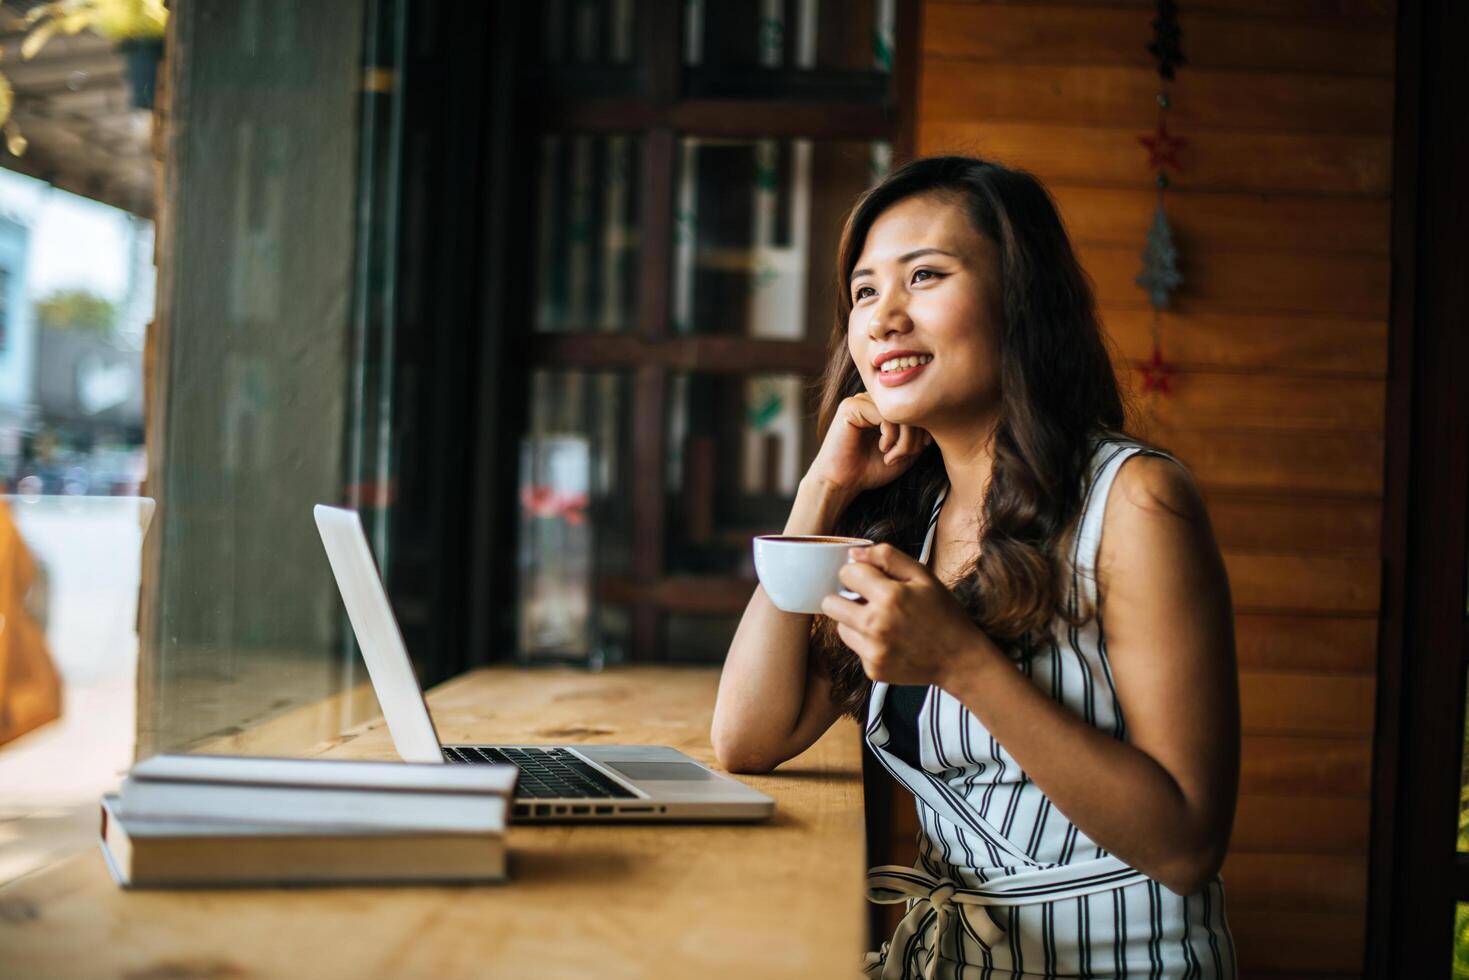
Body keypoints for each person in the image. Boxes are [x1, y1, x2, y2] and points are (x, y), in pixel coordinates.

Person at [710, 156, 1240, 978]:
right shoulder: (904, 522)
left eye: (924, 276)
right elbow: (747, 736)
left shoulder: (1135, 502)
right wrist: (822, 486)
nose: (883, 317)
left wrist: (961, 662)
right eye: (861, 291)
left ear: (1020, 302)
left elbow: (1187, 845)